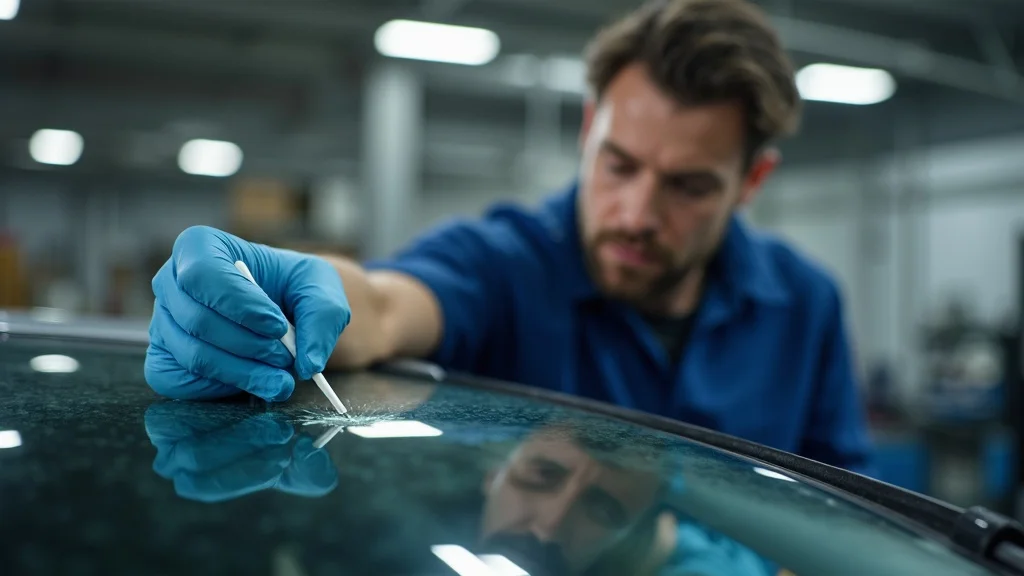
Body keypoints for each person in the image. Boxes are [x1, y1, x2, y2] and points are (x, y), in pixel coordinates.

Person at [145, 0, 874, 474]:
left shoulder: (804, 307)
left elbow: (847, 511)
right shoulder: (508, 264)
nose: (636, 214)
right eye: (619, 165)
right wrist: (300, 284)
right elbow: (388, 308)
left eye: (689, 186)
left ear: (751, 182)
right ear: (590, 132)